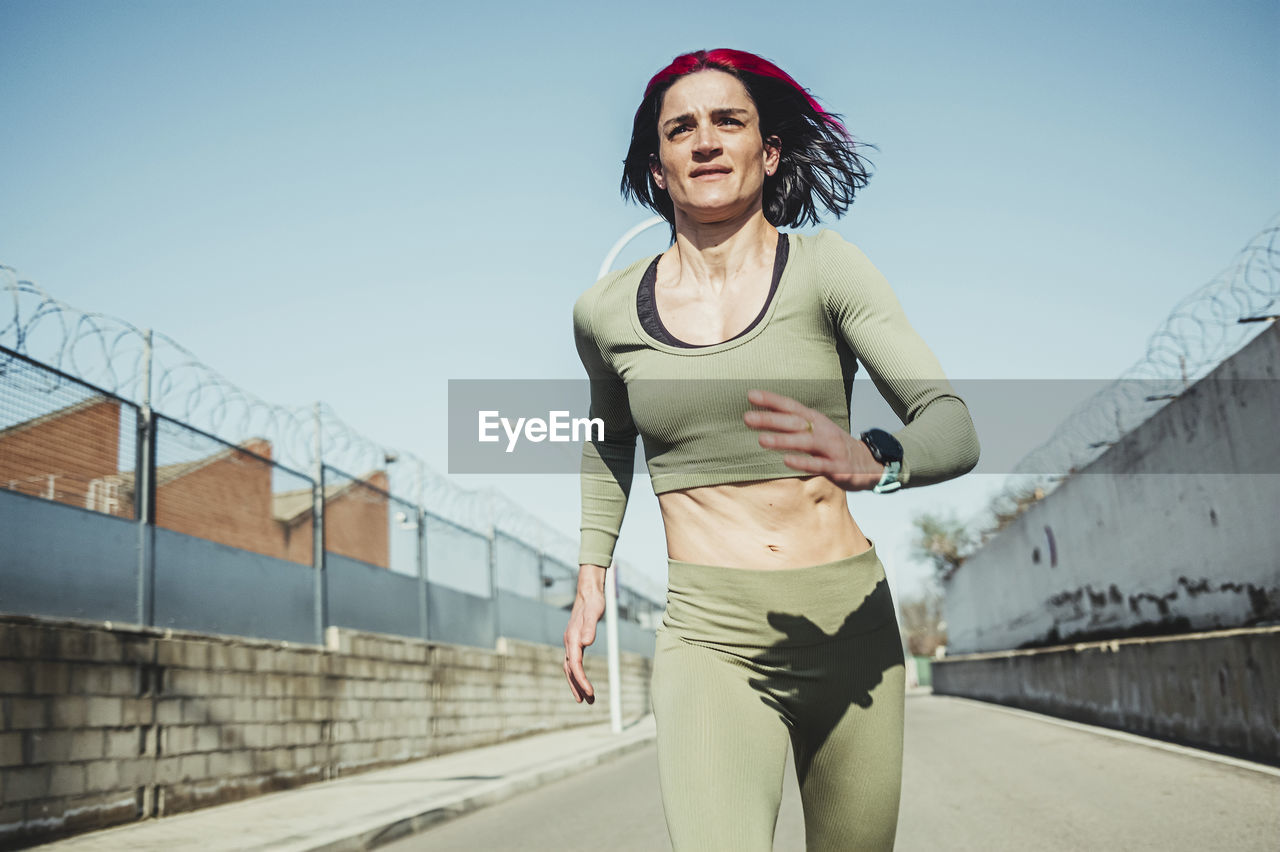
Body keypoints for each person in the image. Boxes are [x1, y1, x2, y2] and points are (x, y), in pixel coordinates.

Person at [563, 48, 980, 851]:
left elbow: (951, 422)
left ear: (770, 150)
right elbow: (610, 442)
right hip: (708, 635)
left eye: (729, 120)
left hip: (847, 627)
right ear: (658, 168)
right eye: (681, 128)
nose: (706, 140)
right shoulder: (603, 312)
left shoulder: (827, 269)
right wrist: (591, 571)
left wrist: (873, 457)